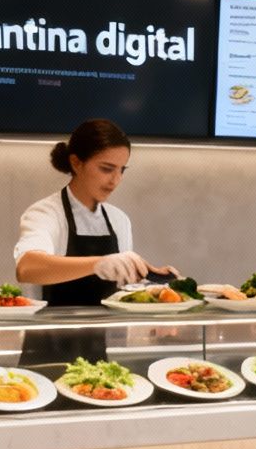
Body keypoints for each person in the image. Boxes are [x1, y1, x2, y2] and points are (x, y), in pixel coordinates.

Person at [10, 119, 175, 365]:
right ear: (76, 163)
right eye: (107, 168)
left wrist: (155, 289)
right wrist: (98, 263)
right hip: (46, 355)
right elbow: (27, 268)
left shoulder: (119, 220)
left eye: (122, 170)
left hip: (100, 354)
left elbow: (122, 288)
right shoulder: (45, 213)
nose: (115, 180)